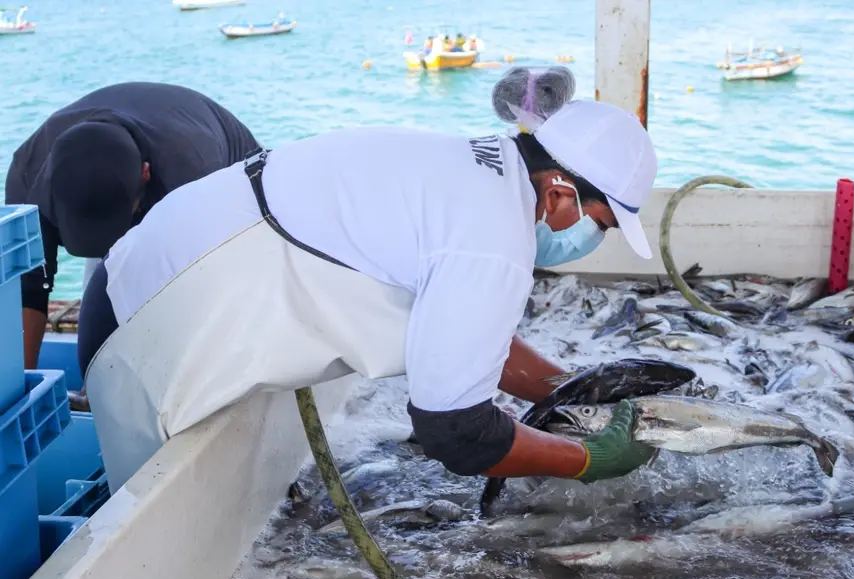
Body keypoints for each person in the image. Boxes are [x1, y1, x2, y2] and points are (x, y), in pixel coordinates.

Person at [80, 66, 659, 492]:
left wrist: (575, 393)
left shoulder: (470, 168)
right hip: (141, 334)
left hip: (142, 274)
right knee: (159, 548)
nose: (590, 238)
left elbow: (471, 340)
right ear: (560, 191)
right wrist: (587, 459)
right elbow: (456, 434)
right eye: (601, 223)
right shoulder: (494, 239)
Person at [5, 81, 261, 372]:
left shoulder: (195, 171)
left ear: (145, 174)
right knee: (103, 298)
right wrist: (19, 394)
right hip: (121, 186)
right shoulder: (27, 178)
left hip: (230, 177)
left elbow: (205, 288)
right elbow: (29, 291)